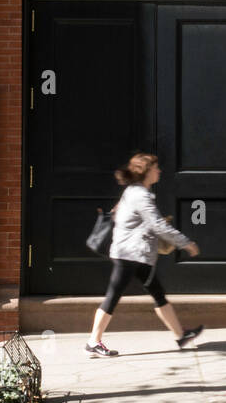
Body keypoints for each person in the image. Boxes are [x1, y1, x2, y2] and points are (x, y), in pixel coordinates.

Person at [86, 152, 204, 357]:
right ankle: (93, 341)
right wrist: (186, 243)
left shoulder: (133, 192)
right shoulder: (140, 195)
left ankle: (181, 335)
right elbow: (158, 226)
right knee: (114, 296)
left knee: (156, 293)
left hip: (133, 253)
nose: (159, 171)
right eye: (156, 168)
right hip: (131, 255)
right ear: (147, 171)